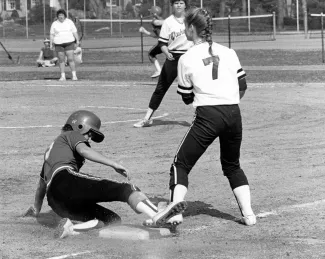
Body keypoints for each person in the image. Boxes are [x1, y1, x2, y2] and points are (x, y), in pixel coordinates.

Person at [153, 7, 256, 227]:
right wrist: (227, 100)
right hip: (233, 112)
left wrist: (204, 105)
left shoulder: (187, 58)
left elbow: (186, 97)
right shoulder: (229, 52)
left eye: (185, 28)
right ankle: (249, 215)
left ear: (191, 28)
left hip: (208, 115)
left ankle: (176, 212)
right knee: (232, 165)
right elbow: (243, 86)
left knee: (180, 164)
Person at [23, 110, 187, 238]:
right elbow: (84, 150)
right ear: (79, 126)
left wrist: (36, 209)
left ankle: (71, 230)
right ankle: (157, 215)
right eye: (89, 134)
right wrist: (113, 163)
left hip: (56, 202)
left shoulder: (50, 153)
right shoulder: (70, 134)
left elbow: (42, 186)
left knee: (112, 220)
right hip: (65, 180)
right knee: (125, 188)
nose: (89, 139)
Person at [133, 0, 193, 128]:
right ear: (172, 5)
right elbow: (162, 43)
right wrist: (166, 53)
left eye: (181, 3)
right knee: (161, 88)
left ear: (185, 5)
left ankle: (200, 118)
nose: (178, 5)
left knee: (195, 88)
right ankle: (147, 119)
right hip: (173, 57)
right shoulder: (168, 22)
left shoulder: (191, 19)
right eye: (176, 3)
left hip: (189, 57)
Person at [50, 9, 80, 81]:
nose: (61, 17)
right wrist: (51, 43)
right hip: (58, 44)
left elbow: (74, 32)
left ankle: (74, 75)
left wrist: (77, 41)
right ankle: (63, 76)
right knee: (61, 60)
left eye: (62, 15)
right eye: (59, 15)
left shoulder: (69, 22)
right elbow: (52, 34)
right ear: (57, 16)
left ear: (64, 16)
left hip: (69, 43)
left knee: (70, 59)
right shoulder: (54, 24)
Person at [139, 6, 164, 78]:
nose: (150, 13)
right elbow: (156, 35)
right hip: (166, 41)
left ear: (154, 13)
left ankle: (159, 71)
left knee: (151, 54)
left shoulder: (155, 21)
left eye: (151, 12)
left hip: (164, 42)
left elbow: (160, 22)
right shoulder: (158, 21)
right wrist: (145, 31)